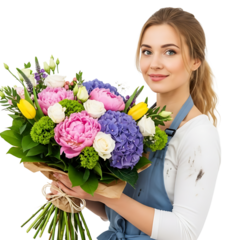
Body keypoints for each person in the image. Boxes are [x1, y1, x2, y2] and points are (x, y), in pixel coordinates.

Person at [46, 6, 223, 240]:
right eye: (147, 51)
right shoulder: (133, 122)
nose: (155, 64)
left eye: (170, 52)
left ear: (195, 60)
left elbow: (185, 232)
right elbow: (119, 215)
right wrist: (77, 193)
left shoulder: (199, 135)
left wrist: (105, 195)